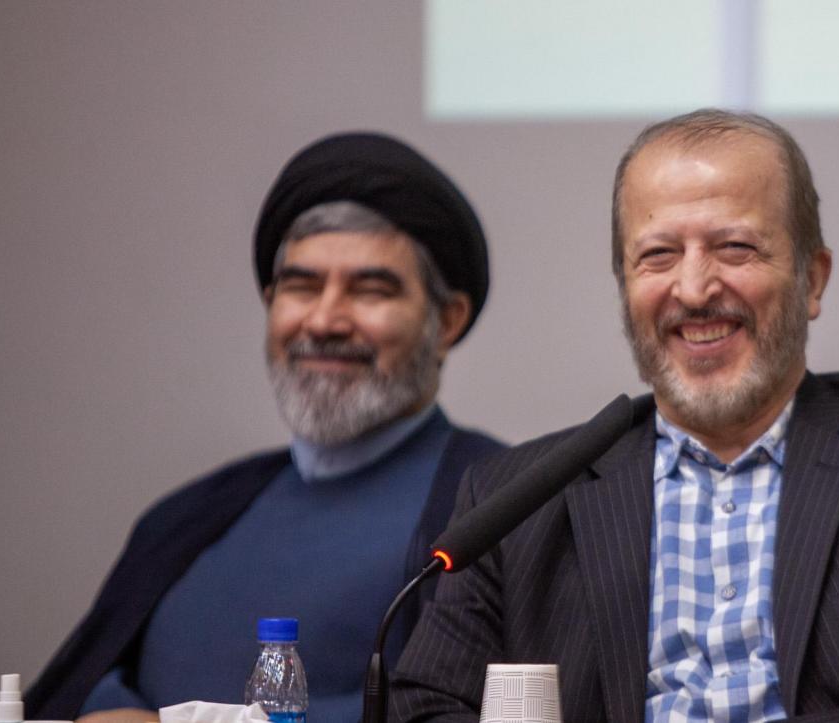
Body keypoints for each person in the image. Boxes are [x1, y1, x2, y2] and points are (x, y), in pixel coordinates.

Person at [389, 110, 839, 722]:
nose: (695, 288)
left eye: (736, 248)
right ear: (625, 288)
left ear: (812, 279)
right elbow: (422, 707)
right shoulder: (517, 500)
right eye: (658, 255)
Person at [25, 133, 504, 723]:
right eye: (302, 287)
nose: (324, 320)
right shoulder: (187, 517)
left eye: (370, 290)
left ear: (447, 321)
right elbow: (92, 680)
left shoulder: (498, 510)